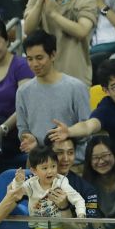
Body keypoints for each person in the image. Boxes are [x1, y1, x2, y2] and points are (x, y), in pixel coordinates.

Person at [22, 0, 97, 86]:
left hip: (77, 78)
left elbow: (82, 31)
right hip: (45, 78)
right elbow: (28, 29)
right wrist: (40, 3)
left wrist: (53, 14)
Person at [15, 31, 92, 162]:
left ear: (53, 55)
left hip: (72, 164)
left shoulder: (76, 87)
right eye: (29, 59)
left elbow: (87, 128)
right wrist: (28, 138)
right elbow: (23, 128)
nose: (34, 64)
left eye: (39, 58)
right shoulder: (23, 92)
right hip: (39, 164)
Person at [0, 17, 33, 166]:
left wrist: (2, 129)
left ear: (7, 41)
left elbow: (25, 107)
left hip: (13, 131)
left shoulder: (21, 66)